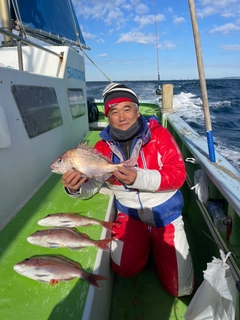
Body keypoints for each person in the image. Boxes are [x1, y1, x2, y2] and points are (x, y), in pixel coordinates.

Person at [62, 82, 194, 297]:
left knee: (180, 289)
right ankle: (146, 248)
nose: (122, 116)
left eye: (127, 108)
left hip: (166, 215)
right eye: (114, 111)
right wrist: (74, 189)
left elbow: (178, 174)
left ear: (137, 110)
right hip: (130, 215)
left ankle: (156, 249)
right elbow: (92, 186)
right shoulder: (101, 148)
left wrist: (138, 177)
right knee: (124, 269)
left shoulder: (159, 135)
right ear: (108, 116)